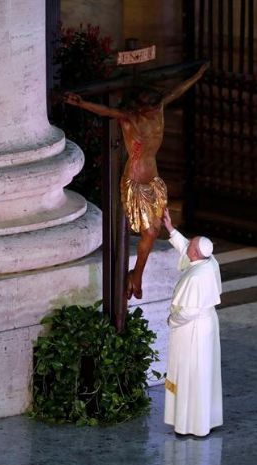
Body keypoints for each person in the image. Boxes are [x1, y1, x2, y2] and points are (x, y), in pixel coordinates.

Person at [64, 62, 209, 300]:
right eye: (150, 108)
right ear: (140, 108)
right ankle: (136, 276)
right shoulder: (130, 119)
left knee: (154, 231)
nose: (155, 111)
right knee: (150, 232)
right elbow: (105, 112)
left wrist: (197, 76)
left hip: (153, 179)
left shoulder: (158, 107)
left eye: (155, 106)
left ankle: (137, 275)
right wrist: (80, 103)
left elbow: (177, 91)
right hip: (136, 181)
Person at [161, 207, 223, 437]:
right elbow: (187, 247)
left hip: (193, 330)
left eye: (191, 246)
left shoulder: (197, 277)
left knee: (190, 373)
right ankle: (205, 419)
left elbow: (187, 312)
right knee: (203, 373)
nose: (188, 247)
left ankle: (190, 424)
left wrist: (172, 319)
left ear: (195, 254)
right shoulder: (209, 261)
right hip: (206, 324)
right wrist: (170, 228)